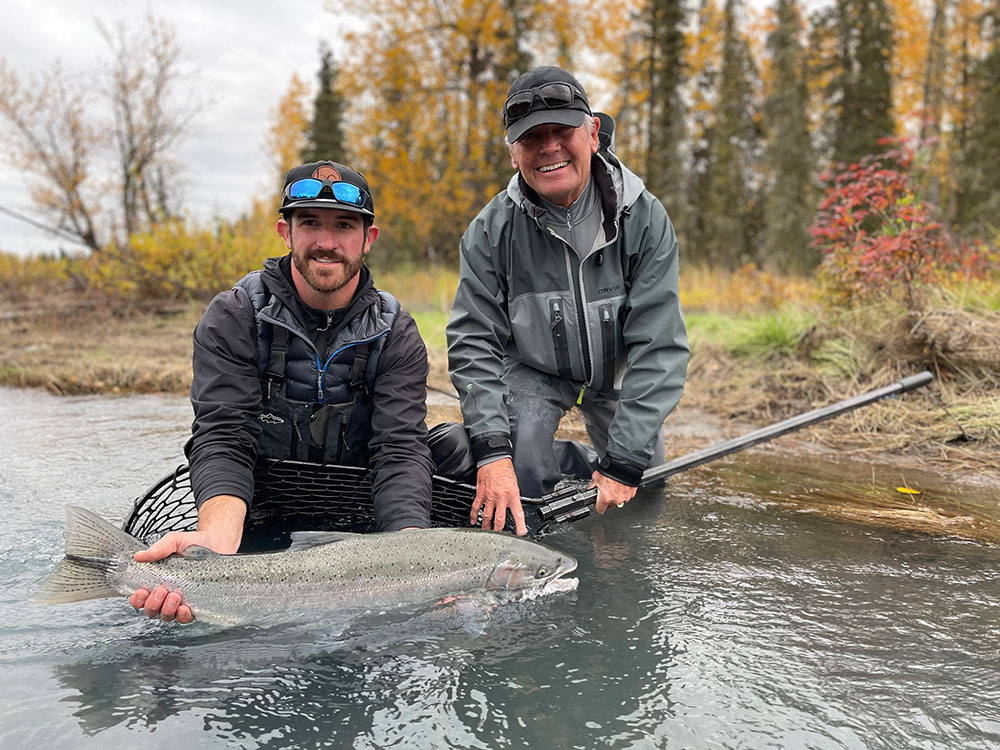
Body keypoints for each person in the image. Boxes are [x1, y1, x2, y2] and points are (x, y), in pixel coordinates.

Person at [131, 160, 435, 623]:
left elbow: (399, 451)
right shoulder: (234, 315)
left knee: (449, 447)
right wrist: (213, 543)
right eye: (309, 223)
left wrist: (418, 563)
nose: (327, 242)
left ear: (368, 239)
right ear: (285, 232)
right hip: (257, 506)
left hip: (357, 510)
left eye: (344, 226)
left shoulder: (396, 331)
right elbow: (224, 437)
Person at [446, 66, 689, 536]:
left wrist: (622, 462)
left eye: (563, 130)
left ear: (594, 133)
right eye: (532, 137)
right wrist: (492, 452)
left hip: (616, 372)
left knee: (644, 486)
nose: (549, 146)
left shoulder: (644, 217)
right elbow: (473, 342)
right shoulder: (489, 231)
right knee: (521, 478)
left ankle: (597, 485)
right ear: (514, 153)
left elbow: (660, 346)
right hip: (534, 373)